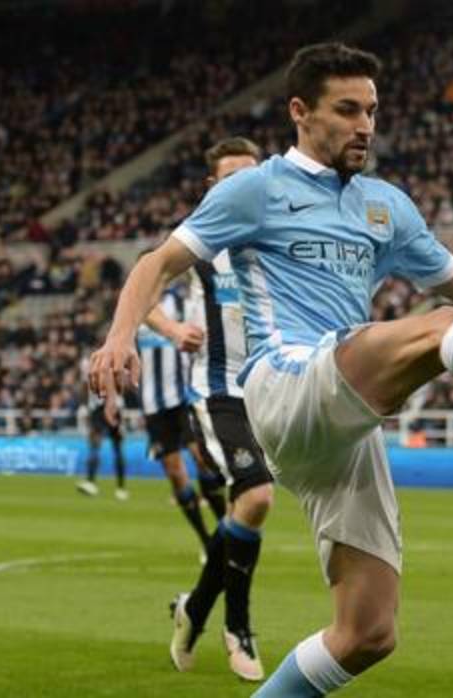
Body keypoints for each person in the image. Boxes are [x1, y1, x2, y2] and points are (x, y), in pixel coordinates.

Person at [87, 42, 453, 697]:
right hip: (283, 382)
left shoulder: (386, 206)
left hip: (344, 424)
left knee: (368, 631)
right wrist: (121, 335)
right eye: (347, 110)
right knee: (434, 330)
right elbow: (156, 261)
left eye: (372, 110)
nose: (365, 126)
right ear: (300, 112)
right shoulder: (256, 188)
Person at [159, 137, 276, 682]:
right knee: (257, 495)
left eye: (248, 176)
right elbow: (144, 281)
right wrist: (169, 328)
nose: (240, 187)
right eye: (228, 179)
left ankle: (194, 610)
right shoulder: (201, 242)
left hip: (270, 392)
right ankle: (239, 628)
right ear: (212, 187)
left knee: (241, 512)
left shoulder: (277, 238)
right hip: (217, 391)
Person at [136, 272, 212, 550]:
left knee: (202, 459)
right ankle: (206, 541)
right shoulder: (135, 307)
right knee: (175, 473)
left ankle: (223, 529)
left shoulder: (181, 305)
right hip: (152, 404)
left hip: (184, 397)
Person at [77, 357, 127, 500]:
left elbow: (120, 385)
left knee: (114, 447)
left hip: (111, 408)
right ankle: (94, 483)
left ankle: (119, 487)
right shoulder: (93, 362)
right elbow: (86, 387)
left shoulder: (105, 362)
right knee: (100, 445)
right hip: (100, 409)